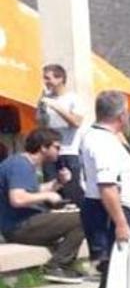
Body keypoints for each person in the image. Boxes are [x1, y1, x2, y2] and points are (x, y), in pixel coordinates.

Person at [79, 90, 130, 288]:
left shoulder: (103, 138)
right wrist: (121, 223)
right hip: (108, 213)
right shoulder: (102, 142)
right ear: (121, 115)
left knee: (120, 271)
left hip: (111, 210)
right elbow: (107, 186)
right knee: (114, 271)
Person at [0, 128, 85, 283]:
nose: (60, 151)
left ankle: (62, 264)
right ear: (43, 147)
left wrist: (58, 182)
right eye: (57, 147)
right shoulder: (20, 165)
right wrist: (48, 196)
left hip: (24, 223)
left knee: (75, 216)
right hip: (19, 226)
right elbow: (17, 198)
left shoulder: (23, 163)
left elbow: (33, 191)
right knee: (84, 217)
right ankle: (57, 266)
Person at [37, 64, 85, 204]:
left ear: (60, 78)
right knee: (52, 195)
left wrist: (56, 106)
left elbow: (76, 122)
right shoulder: (45, 100)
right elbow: (41, 124)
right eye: (44, 78)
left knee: (72, 194)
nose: (45, 82)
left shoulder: (73, 99)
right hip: (49, 154)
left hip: (68, 152)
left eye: (48, 78)